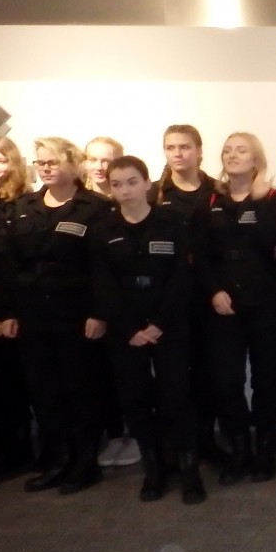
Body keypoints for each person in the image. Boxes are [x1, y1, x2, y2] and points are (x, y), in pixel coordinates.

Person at [0, 137, 113, 494]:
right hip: (34, 314)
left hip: (76, 313)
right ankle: (58, 459)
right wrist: (8, 312)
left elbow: (104, 268)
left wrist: (99, 312)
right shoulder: (23, 207)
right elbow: (8, 264)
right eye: (40, 162)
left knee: (80, 389)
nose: (45, 168)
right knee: (45, 391)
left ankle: (84, 463)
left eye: (53, 162)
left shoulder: (94, 208)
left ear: (73, 164)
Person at [92, 156, 202, 504]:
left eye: (132, 182)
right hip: (126, 330)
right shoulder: (103, 231)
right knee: (136, 400)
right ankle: (153, 470)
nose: (125, 190)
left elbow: (181, 278)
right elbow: (104, 285)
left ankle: (189, 470)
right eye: (117, 184)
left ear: (146, 183)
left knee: (176, 398)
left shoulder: (171, 223)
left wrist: (159, 325)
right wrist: (131, 329)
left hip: (168, 325)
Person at [196, 132, 276, 486]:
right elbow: (200, 255)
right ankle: (239, 449)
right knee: (226, 381)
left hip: (265, 301)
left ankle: (264, 450)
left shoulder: (273, 199)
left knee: (267, 379)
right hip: (223, 304)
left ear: (256, 159)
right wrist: (214, 290)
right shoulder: (210, 200)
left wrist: (259, 200)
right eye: (227, 150)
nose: (232, 155)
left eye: (241, 150)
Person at [153, 124, 225, 467]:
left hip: (209, 296)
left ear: (199, 150)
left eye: (184, 146)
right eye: (171, 147)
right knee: (174, 377)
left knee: (209, 373)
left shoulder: (218, 191)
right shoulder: (154, 193)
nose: (178, 153)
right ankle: (179, 446)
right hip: (169, 300)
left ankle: (207, 439)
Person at [82, 135, 139, 470]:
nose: (100, 166)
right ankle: (114, 435)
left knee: (128, 377)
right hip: (88, 304)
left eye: (107, 160)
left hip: (125, 307)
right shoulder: (82, 201)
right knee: (100, 377)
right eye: (93, 159)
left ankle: (135, 435)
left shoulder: (131, 202)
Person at [0, 137, 34, 479]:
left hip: (16, 309)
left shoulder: (24, 204)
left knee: (13, 385)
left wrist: (9, 313)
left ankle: (18, 451)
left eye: (0, 159)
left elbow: (18, 266)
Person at [82, 136, 123, 201]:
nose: (99, 167)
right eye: (93, 160)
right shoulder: (76, 202)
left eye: (107, 161)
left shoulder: (129, 200)